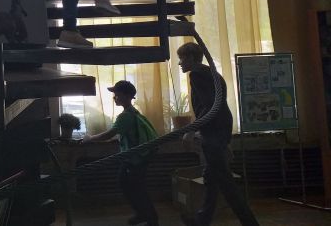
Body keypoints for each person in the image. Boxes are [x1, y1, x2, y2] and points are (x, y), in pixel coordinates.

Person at [177, 42, 259, 226]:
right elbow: (216, 106)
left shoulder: (197, 75)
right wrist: (224, 141)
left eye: (181, 58)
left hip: (213, 132)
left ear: (190, 57)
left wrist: (190, 131)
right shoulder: (212, 73)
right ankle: (202, 221)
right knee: (211, 179)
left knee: (225, 183)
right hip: (220, 129)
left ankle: (250, 223)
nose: (180, 63)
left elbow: (209, 107)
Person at [82, 80, 159, 226]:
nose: (114, 98)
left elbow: (109, 134)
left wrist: (90, 138)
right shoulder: (133, 113)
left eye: (117, 95)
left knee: (137, 189)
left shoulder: (125, 116)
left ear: (126, 96)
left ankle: (151, 220)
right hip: (136, 158)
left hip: (135, 160)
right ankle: (143, 214)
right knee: (128, 185)